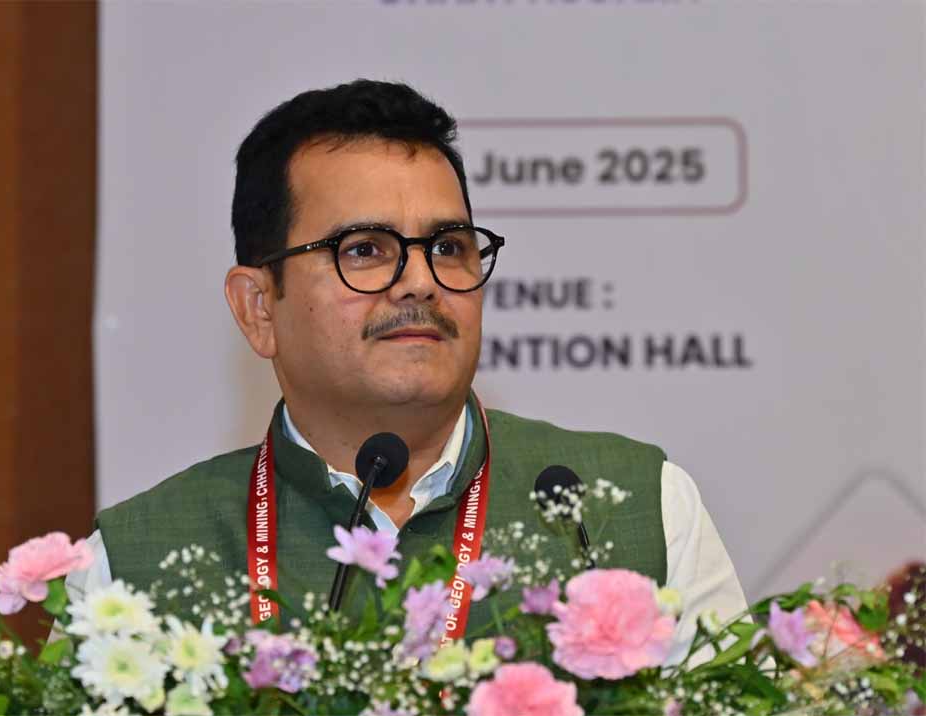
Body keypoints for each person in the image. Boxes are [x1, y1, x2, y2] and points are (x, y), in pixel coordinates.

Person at [68, 79, 747, 661]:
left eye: (448, 246)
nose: (421, 280)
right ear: (259, 308)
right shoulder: (133, 565)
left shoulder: (634, 508)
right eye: (365, 249)